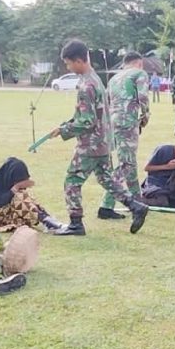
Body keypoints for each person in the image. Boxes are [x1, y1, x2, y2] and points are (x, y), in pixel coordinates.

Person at [45, 40, 149, 236]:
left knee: (72, 181)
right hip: (103, 142)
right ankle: (136, 206)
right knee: (107, 179)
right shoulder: (96, 80)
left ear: (78, 60)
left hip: (90, 145)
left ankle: (76, 223)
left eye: (68, 63)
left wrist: (64, 130)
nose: (68, 67)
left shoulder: (86, 85)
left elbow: (87, 121)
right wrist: (65, 124)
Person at [98, 52, 151, 221]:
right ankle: (106, 205)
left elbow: (105, 101)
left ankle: (137, 202)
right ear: (139, 63)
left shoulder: (114, 79)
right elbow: (142, 96)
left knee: (129, 162)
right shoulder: (139, 74)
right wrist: (145, 115)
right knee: (126, 164)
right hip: (128, 121)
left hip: (113, 122)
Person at [0, 157, 64, 232]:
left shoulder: (6, 180)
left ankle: (48, 220)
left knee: (22, 195)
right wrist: (16, 187)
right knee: (19, 196)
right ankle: (48, 222)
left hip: (3, 212)